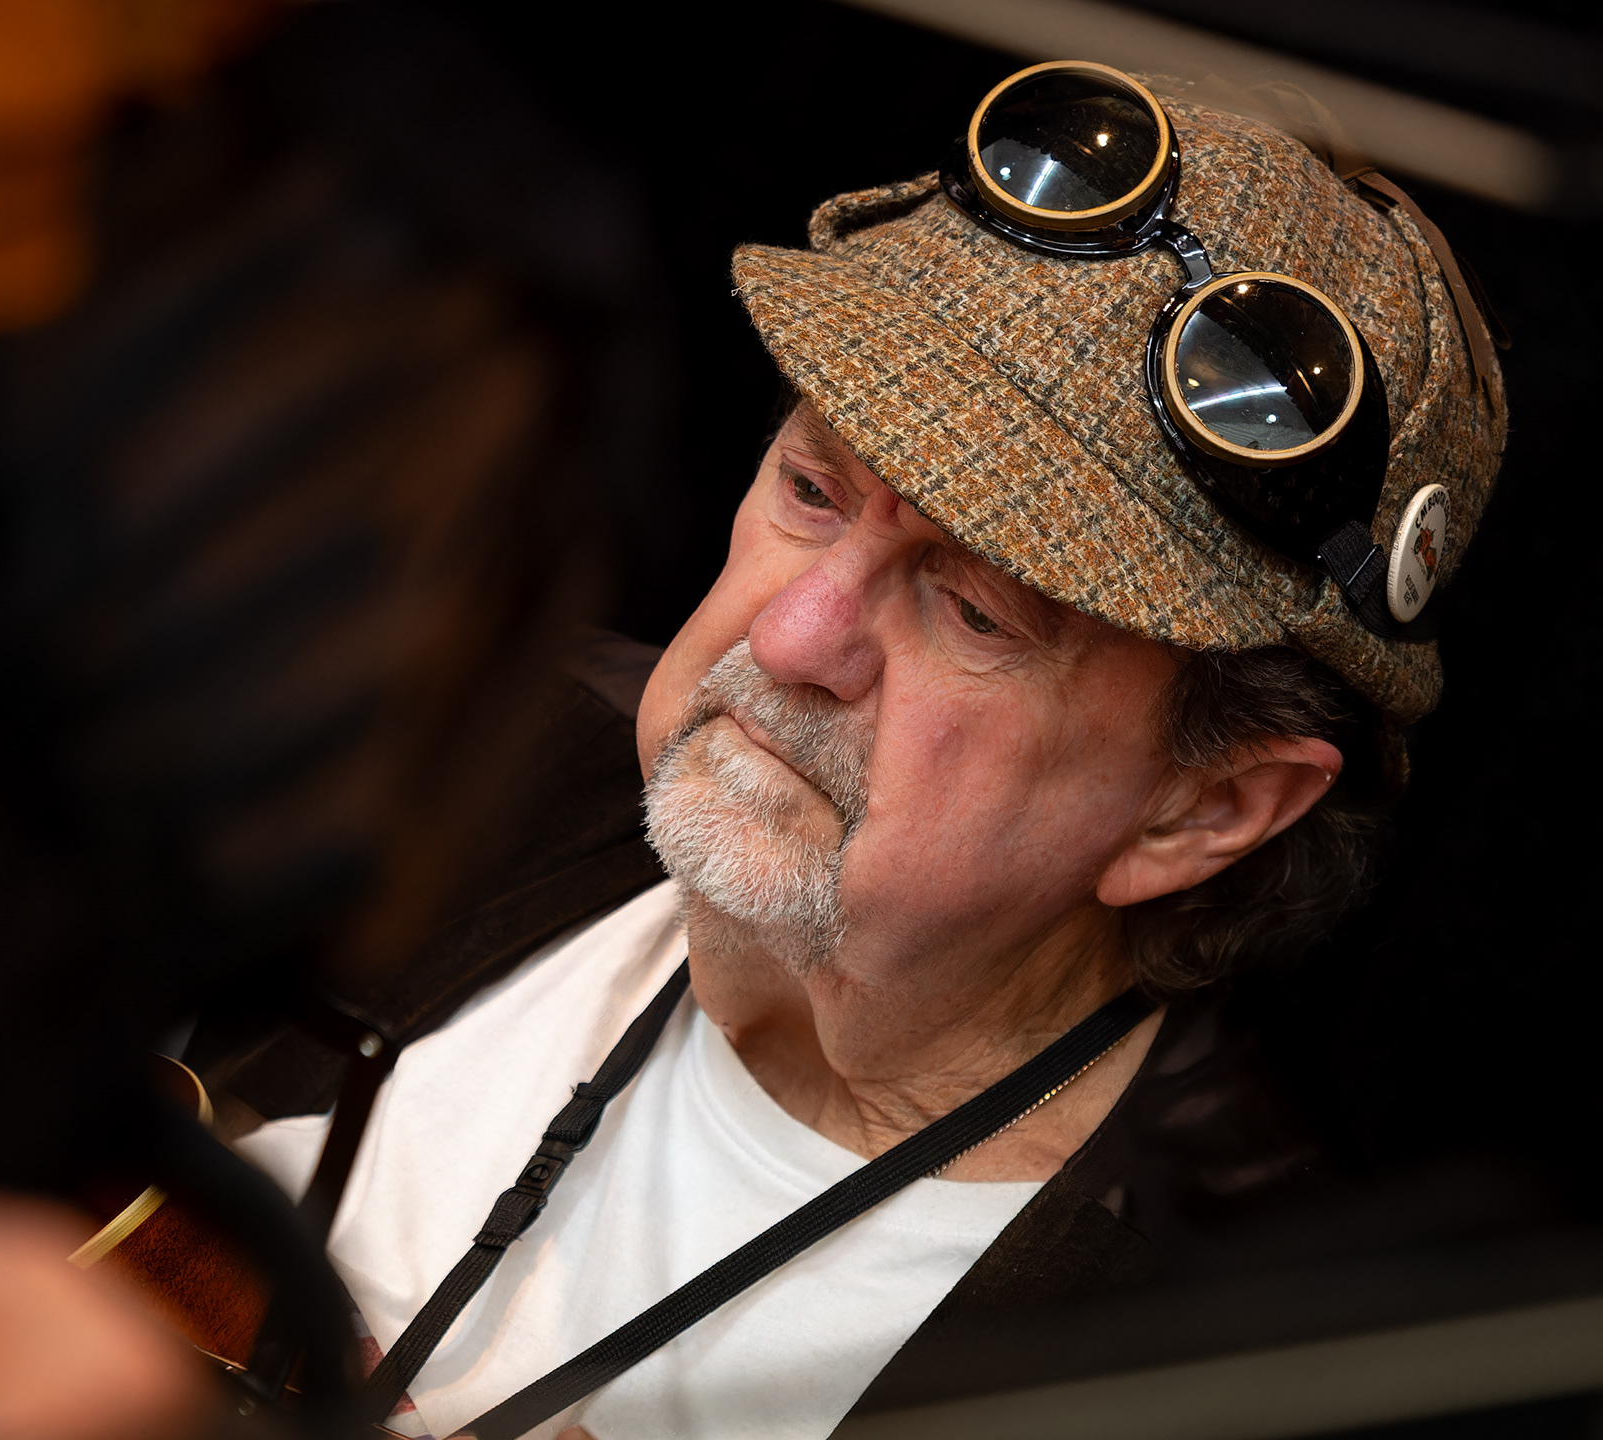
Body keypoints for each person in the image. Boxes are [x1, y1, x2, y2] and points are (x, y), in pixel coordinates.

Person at [195, 60, 1508, 1440]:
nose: (795, 634)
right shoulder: (442, 731)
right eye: (813, 490)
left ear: (1207, 809)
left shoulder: (1217, 1363)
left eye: (976, 611)